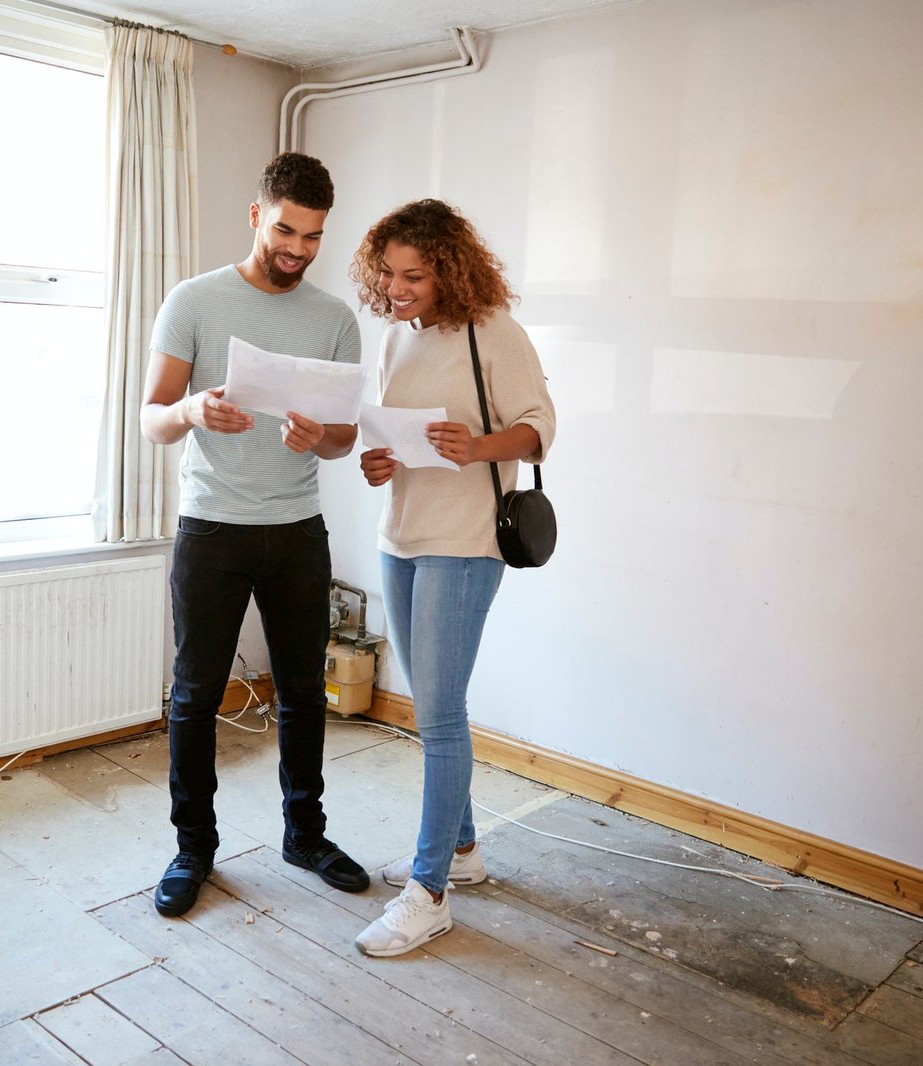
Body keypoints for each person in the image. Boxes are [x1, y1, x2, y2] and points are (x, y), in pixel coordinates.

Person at [140, 153, 370, 918]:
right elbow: (151, 418)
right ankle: (193, 848)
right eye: (285, 229)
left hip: (297, 529)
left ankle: (305, 835)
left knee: (305, 691)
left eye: (313, 236)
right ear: (255, 215)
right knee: (196, 695)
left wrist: (322, 440)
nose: (298, 249)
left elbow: (343, 438)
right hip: (211, 529)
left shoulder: (334, 319)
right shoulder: (194, 300)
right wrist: (192, 413)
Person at [348, 199, 557, 956]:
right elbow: (384, 435)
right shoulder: (394, 338)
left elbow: (540, 428)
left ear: (451, 270)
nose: (398, 290)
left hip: (466, 541)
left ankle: (430, 890)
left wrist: (477, 449)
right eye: (389, 275)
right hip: (400, 533)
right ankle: (463, 850)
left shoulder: (494, 332)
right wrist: (376, 462)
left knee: (437, 715)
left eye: (414, 276)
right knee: (428, 703)